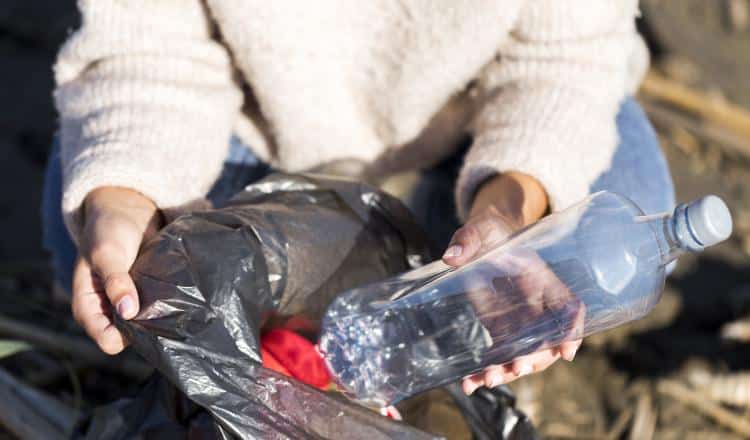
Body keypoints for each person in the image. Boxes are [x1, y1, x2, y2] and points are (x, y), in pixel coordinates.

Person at [43, 0, 675, 397]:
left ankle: (435, 231)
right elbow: (147, 49)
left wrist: (512, 209)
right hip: (246, 116)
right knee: (101, 236)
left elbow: (563, 59)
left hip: (466, 120)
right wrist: (125, 195)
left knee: (631, 206)